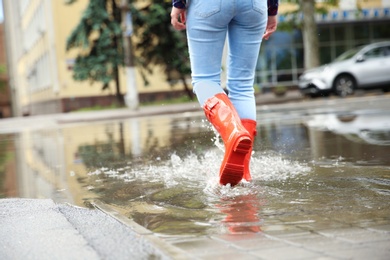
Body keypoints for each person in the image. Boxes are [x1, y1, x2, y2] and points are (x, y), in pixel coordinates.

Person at [171, 0, 278, 186]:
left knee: (205, 79)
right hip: (254, 5)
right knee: (243, 85)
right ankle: (243, 173)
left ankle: (233, 132)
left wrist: (178, 4)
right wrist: (272, 9)